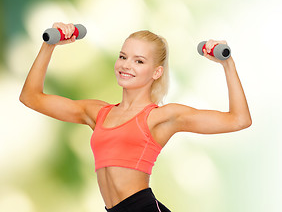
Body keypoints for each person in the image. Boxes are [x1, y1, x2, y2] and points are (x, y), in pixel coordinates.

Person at [20, 22, 252, 212]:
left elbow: (239, 119)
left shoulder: (161, 117)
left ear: (156, 72)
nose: (126, 65)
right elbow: (31, 97)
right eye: (123, 57)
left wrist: (227, 63)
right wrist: (49, 45)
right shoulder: (97, 113)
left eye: (138, 61)